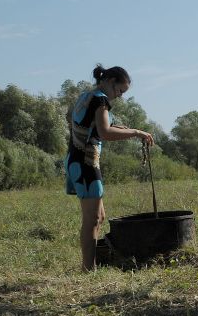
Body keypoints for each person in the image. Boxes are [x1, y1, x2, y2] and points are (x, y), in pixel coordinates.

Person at [66, 65, 154, 271]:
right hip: (86, 163)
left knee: (99, 217)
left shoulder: (87, 96)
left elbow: (89, 125)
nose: (119, 96)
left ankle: (90, 265)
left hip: (76, 160)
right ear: (110, 81)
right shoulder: (101, 100)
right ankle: (88, 269)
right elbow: (105, 132)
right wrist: (136, 132)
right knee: (92, 219)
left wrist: (117, 128)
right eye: (120, 91)